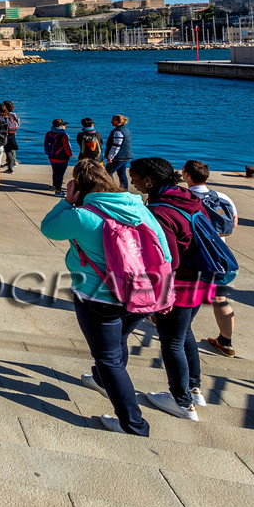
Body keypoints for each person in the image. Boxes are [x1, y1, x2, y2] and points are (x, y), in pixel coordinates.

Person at [40, 159, 171, 436]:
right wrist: (162, 292)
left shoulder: (83, 215)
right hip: (141, 294)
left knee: (108, 358)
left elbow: (49, 228)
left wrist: (67, 201)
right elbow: (164, 253)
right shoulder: (139, 208)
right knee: (118, 341)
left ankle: (133, 425)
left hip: (99, 298)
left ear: (80, 187)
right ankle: (102, 380)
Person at [130, 157, 214, 421]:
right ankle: (193, 388)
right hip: (202, 277)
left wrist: (154, 297)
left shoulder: (159, 211)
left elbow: (168, 259)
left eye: (134, 176)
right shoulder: (186, 197)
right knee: (185, 332)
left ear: (148, 180)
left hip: (179, 282)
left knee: (171, 342)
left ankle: (182, 402)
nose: (131, 181)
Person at [183, 160, 239, 357]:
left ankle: (179, 333)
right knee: (220, 298)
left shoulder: (185, 197)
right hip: (218, 257)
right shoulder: (222, 197)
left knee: (186, 297)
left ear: (187, 175)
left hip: (193, 257)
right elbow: (232, 225)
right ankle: (226, 342)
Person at [43, 119, 73, 196]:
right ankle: (58, 190)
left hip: (51, 156)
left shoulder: (48, 133)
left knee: (55, 172)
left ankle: (54, 185)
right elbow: (67, 147)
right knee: (60, 174)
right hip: (62, 158)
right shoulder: (63, 135)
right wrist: (70, 154)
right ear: (60, 126)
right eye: (64, 125)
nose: (65, 126)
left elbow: (45, 144)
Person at [105, 115, 133, 190]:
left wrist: (110, 157)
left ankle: (111, 189)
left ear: (119, 122)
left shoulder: (118, 132)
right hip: (125, 156)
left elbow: (116, 146)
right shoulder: (126, 130)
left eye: (113, 121)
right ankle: (124, 189)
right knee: (122, 173)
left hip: (118, 157)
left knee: (107, 173)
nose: (111, 122)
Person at [0, 100, 22, 173]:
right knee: (11, 148)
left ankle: (11, 162)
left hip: (7, 132)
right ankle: (11, 162)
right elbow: (18, 124)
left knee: (9, 149)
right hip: (13, 131)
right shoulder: (14, 115)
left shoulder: (5, 116)